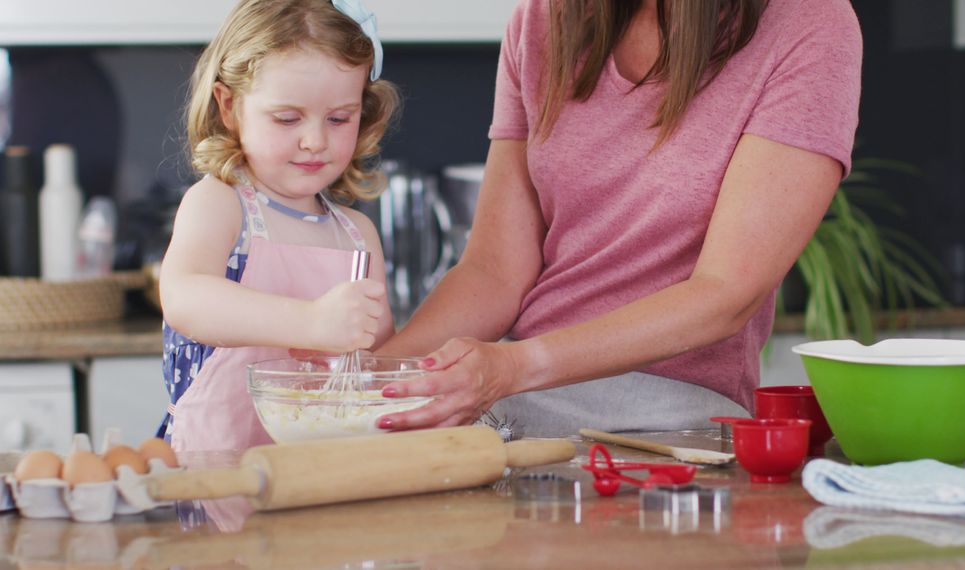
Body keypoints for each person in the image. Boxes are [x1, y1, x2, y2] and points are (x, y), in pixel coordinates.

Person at [374, 0, 862, 437]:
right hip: (518, 401)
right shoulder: (545, 19)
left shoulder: (808, 21)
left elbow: (726, 295)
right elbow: (494, 270)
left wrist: (514, 366)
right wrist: (369, 376)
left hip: (667, 418)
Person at [157, 0, 399, 451]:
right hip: (217, 473)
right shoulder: (221, 203)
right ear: (229, 107)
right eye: (287, 118)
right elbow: (184, 298)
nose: (315, 140)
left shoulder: (357, 234)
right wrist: (311, 322)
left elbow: (375, 359)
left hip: (326, 471)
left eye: (339, 118)